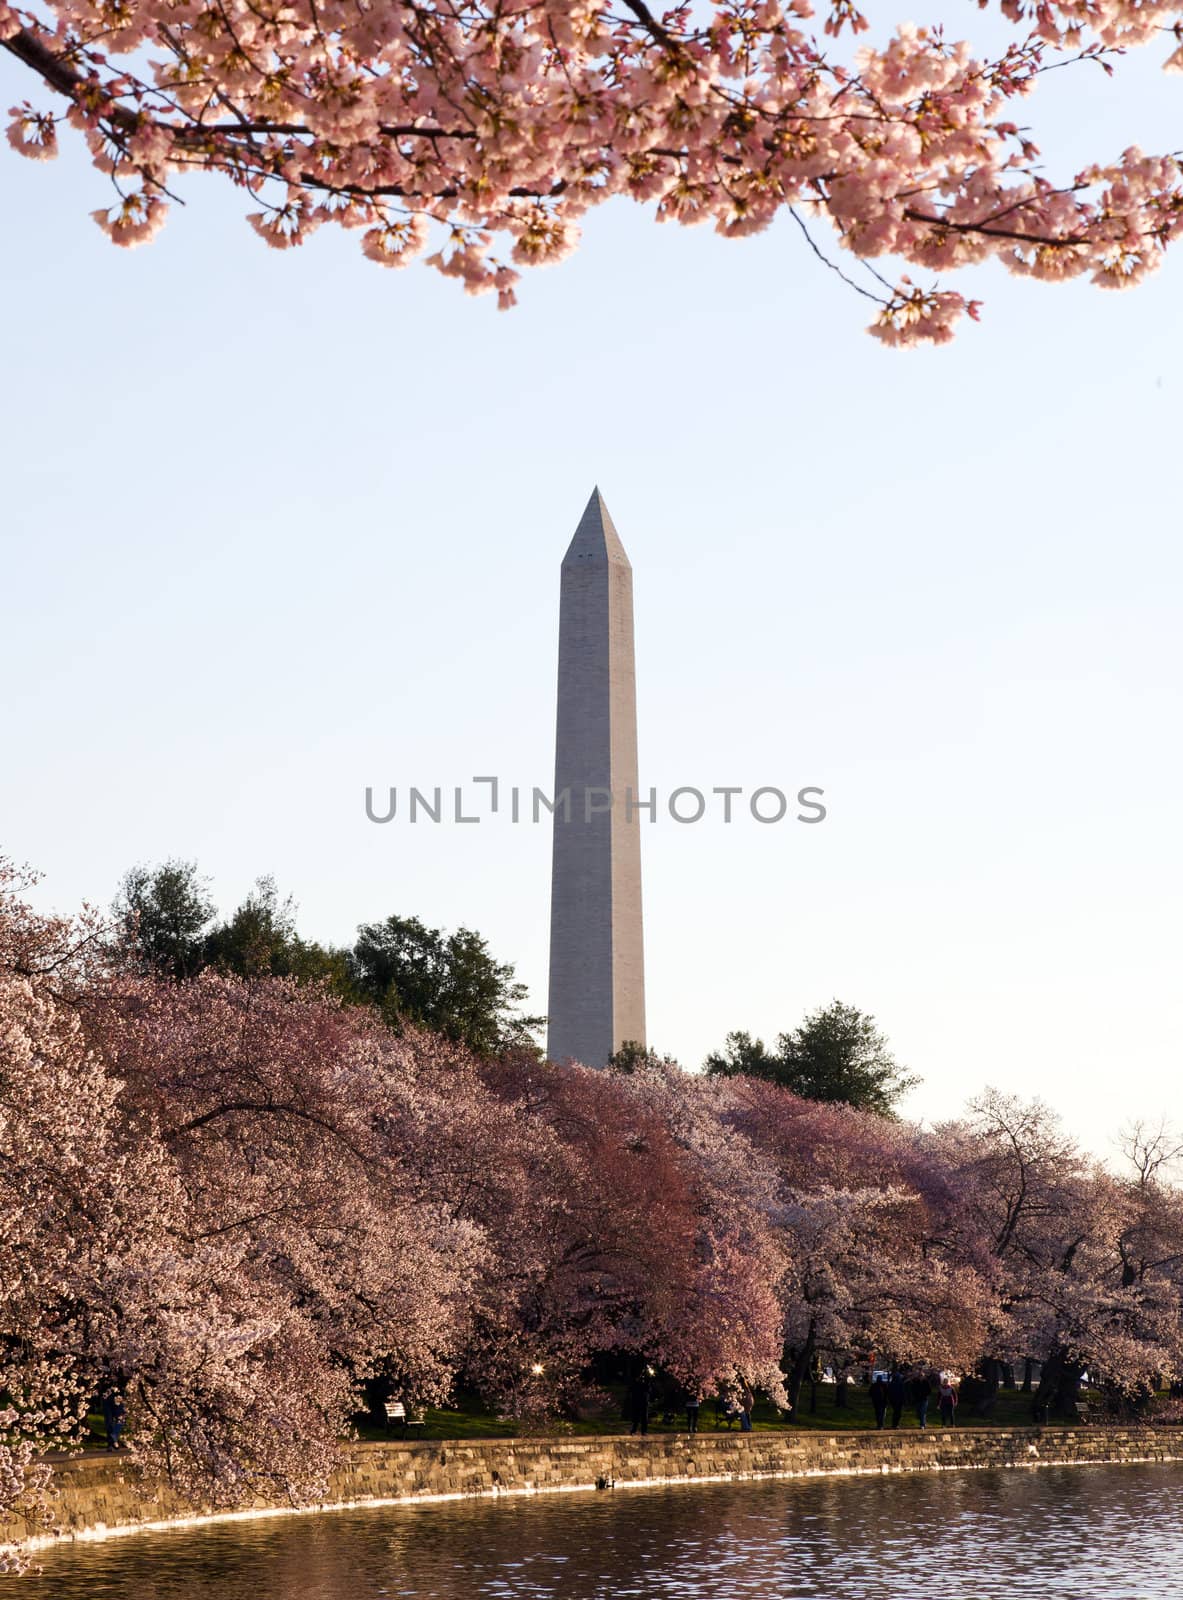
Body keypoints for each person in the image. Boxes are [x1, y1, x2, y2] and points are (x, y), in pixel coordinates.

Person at [101, 1387, 126, 1452]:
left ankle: (113, 1439)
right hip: (108, 1397)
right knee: (109, 1422)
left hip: (117, 1397)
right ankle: (112, 1442)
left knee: (120, 1419)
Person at [628, 1370, 652, 1437]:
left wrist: (648, 1381)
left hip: (644, 1401)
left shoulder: (646, 1382)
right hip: (636, 1401)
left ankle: (644, 1431)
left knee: (644, 1417)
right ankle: (633, 1431)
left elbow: (648, 1390)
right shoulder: (634, 1383)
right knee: (636, 1417)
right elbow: (631, 1390)